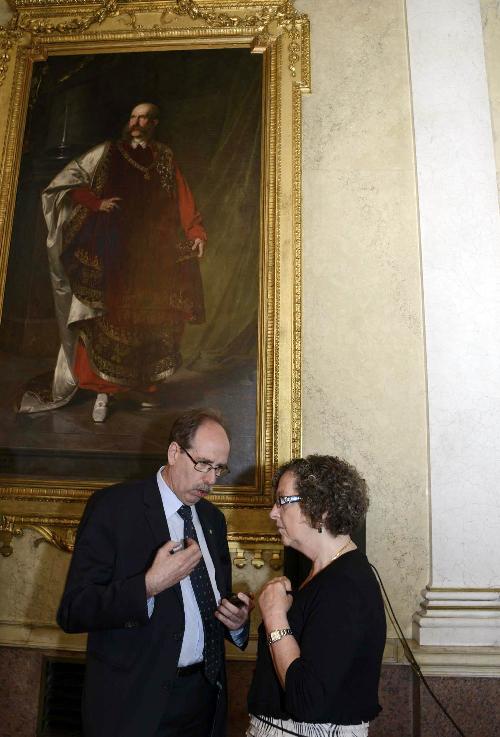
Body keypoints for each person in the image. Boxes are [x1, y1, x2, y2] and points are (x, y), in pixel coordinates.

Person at [57, 408, 252, 737]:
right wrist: (148, 585)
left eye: (219, 468)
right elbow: (74, 610)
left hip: (204, 702)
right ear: (175, 452)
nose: (211, 480)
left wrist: (237, 622)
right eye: (203, 464)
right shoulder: (113, 508)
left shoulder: (213, 520)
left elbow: (211, 603)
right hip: (135, 706)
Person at [19, 102, 206, 422]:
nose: (136, 122)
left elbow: (183, 197)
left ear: (154, 123)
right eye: (133, 116)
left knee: (150, 318)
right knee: (107, 316)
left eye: (143, 117)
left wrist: (196, 231)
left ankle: (145, 388)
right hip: (111, 247)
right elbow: (68, 183)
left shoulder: (164, 156)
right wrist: (96, 202)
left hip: (152, 252)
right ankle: (102, 393)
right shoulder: (107, 152)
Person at [247, 455, 386, 737]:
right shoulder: (323, 573)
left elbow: (306, 699)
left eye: (282, 501)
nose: (273, 512)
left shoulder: (346, 585)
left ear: (320, 509)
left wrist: (274, 617)